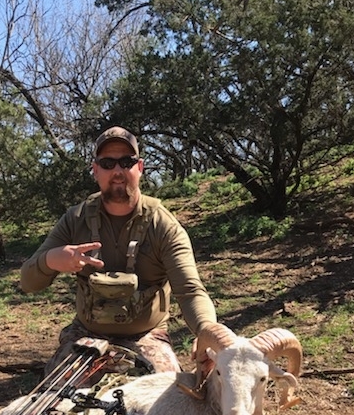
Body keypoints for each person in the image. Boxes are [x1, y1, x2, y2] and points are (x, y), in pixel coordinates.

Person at [20, 126, 217, 375]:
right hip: (86, 334)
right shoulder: (75, 219)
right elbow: (27, 281)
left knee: (164, 400)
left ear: (140, 168)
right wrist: (50, 260)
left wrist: (208, 330)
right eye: (107, 163)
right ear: (95, 170)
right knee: (57, 405)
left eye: (126, 161)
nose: (117, 171)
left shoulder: (163, 225)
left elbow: (190, 292)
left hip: (147, 336)